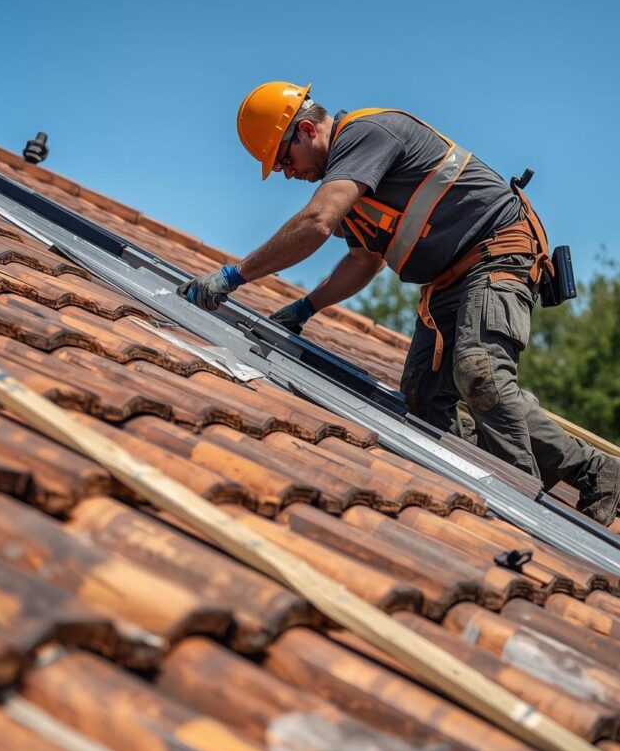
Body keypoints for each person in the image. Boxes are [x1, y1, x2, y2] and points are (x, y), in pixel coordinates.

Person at [178, 80, 620, 525]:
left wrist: (234, 275)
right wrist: (307, 308)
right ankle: (594, 472)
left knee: (479, 371)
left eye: (284, 160)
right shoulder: (354, 182)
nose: (286, 173)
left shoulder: (366, 135)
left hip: (496, 253)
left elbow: (316, 221)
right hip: (450, 281)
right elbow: (362, 260)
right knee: (424, 398)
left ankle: (523, 513)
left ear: (307, 130)